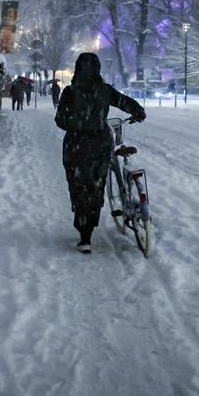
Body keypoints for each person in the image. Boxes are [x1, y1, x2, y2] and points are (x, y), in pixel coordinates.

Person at [55, 53, 146, 253]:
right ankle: (90, 224)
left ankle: (84, 235)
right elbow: (124, 102)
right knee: (96, 187)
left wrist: (78, 125)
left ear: (78, 69)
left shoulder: (70, 92)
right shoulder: (104, 90)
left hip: (76, 147)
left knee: (79, 188)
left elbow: (60, 120)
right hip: (100, 145)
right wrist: (138, 111)